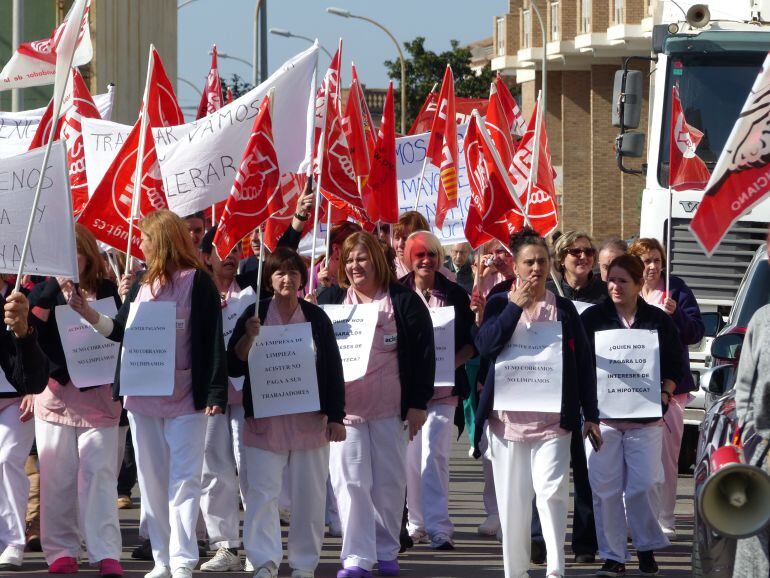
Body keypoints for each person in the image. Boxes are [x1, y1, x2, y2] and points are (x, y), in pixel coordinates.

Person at [70, 210, 227, 578]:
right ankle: (163, 559)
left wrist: (215, 392)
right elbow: (120, 329)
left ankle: (184, 559)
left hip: (186, 397)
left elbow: (212, 340)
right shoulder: (141, 282)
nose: (139, 244)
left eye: (145, 238)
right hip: (142, 398)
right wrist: (88, 313)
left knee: (185, 479)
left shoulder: (198, 282)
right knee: (152, 480)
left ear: (162, 241)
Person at [474, 228, 602, 578]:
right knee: (513, 506)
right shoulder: (500, 303)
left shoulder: (562, 310)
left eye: (541, 261)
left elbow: (583, 365)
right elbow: (485, 346)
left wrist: (590, 415)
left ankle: (556, 569)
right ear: (515, 267)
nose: (535, 268)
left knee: (551, 493)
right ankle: (515, 571)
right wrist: (514, 306)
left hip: (552, 424)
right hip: (507, 424)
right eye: (528, 262)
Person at [317, 231, 435, 578]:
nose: (355, 265)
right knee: (350, 483)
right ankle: (356, 557)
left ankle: (386, 551)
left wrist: (417, 404)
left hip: (389, 413)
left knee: (388, 485)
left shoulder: (404, 301)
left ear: (378, 262)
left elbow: (425, 355)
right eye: (350, 259)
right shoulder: (332, 300)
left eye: (362, 258)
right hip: (346, 414)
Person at [228, 247, 346, 578]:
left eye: (294, 273)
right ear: (270, 279)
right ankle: (264, 561)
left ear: (301, 279)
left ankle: (304, 564)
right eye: (280, 272)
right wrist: (249, 338)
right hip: (265, 421)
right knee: (262, 495)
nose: (287, 278)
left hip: (309, 421)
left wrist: (336, 415)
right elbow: (232, 363)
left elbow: (333, 368)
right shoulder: (254, 314)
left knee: (310, 497)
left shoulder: (315, 317)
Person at [28, 224, 124, 577]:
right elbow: (30, 324)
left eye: (78, 252)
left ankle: (105, 552)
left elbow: (118, 328)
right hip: (56, 394)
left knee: (99, 474)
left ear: (89, 255)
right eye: (66, 253)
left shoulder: (108, 289)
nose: (73, 259)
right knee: (57, 476)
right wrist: (56, 283)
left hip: (98, 394)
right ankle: (62, 551)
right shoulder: (43, 292)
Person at [581, 254, 683, 576]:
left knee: (643, 486)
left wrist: (665, 392)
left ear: (639, 284)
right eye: (611, 280)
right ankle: (613, 556)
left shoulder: (657, 320)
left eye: (623, 281)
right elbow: (579, 368)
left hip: (646, 420)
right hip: (603, 421)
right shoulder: (593, 318)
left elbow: (676, 364)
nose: (615, 286)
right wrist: (587, 415)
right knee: (605, 490)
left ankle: (645, 546)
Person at [400, 232, 476, 550]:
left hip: (444, 392)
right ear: (409, 258)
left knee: (436, 455)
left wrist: (450, 364)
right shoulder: (397, 294)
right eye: (419, 255)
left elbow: (472, 343)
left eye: (432, 254)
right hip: (407, 394)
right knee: (411, 459)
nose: (426, 261)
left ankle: (439, 526)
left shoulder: (455, 295)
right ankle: (415, 523)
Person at [629, 238, 704, 539]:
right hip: (633, 386)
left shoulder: (676, 288)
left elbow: (696, 332)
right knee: (635, 458)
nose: (652, 266)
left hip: (671, 388)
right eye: (646, 261)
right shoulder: (628, 289)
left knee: (666, 457)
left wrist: (677, 314)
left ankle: (665, 517)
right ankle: (636, 517)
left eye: (657, 260)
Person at [196, 227, 258, 572]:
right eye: (223, 250)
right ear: (207, 257)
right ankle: (225, 546)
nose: (232, 256)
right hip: (209, 395)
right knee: (214, 469)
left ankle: (257, 545)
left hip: (247, 393)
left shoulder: (251, 292)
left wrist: (296, 223)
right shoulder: (194, 292)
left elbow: (283, 257)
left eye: (236, 249)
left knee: (250, 468)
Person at [543, 230, 607, 562]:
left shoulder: (603, 294)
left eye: (588, 252)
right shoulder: (549, 292)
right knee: (547, 474)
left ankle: (585, 543)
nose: (582, 257)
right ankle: (539, 538)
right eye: (574, 252)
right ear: (560, 258)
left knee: (587, 472)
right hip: (550, 391)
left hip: (589, 390)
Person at [0, 291, 49, 571]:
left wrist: (22, 332)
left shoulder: (20, 299)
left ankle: (12, 542)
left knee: (7, 459)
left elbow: (35, 373)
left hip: (15, 398)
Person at [733, 230, 770, 578]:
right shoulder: (761, 320)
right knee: (758, 553)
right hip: (765, 457)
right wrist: (749, 435)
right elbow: (743, 388)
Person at [549, 231, 608, 305]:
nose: (583, 256)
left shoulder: (608, 293)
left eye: (588, 252)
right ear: (562, 258)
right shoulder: (547, 293)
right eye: (576, 251)